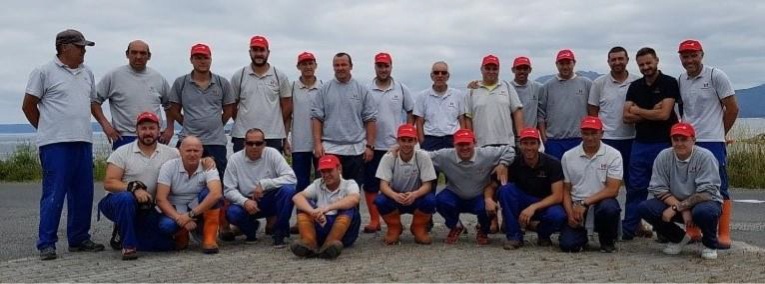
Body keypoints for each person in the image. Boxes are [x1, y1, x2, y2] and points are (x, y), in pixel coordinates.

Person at [22, 29, 105, 261]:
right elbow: (28, 105)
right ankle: (46, 243)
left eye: (84, 47)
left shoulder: (87, 72)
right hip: (55, 143)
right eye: (80, 47)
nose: (84, 51)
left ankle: (79, 238)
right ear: (64, 47)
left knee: (83, 193)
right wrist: (46, 128)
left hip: (83, 140)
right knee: (54, 194)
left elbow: (91, 103)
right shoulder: (43, 72)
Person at [98, 112, 193, 260]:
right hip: (117, 202)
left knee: (165, 246)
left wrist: (207, 162)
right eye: (143, 128)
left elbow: (191, 163)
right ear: (136, 131)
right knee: (126, 198)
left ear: (158, 130)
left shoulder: (172, 153)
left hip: (149, 207)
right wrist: (133, 189)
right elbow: (109, 182)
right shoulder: (122, 152)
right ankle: (128, 246)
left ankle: (126, 230)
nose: (147, 132)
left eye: (151, 128)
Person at [677, 39, 739, 249]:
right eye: (685, 56)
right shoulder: (681, 79)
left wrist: (720, 133)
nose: (690, 60)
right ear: (680, 58)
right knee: (690, 185)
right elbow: (684, 110)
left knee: (719, 186)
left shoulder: (716, 76)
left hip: (712, 141)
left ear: (702, 55)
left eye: (694, 55)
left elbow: (732, 108)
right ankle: (693, 230)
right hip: (688, 141)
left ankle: (723, 233)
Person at [639, 122, 723, 260]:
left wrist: (680, 207)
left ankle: (710, 244)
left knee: (705, 212)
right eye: (675, 139)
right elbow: (658, 188)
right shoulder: (663, 156)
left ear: (693, 140)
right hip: (676, 202)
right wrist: (682, 209)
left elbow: (707, 192)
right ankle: (679, 239)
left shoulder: (705, 157)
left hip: (704, 203)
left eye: (684, 139)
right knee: (645, 208)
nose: (679, 144)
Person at [622, 47, 680, 240]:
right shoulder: (635, 86)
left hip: (664, 143)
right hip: (640, 144)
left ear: (657, 60)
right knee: (636, 189)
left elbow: (664, 115)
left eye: (649, 63)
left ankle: (665, 231)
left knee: (665, 189)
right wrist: (650, 112)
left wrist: (639, 110)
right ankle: (629, 230)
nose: (646, 67)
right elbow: (626, 117)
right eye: (641, 65)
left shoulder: (669, 83)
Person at [428, 129, 515, 245]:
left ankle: (483, 230)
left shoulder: (486, 153)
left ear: (474, 143)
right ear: (454, 145)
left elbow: (509, 150)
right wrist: (398, 149)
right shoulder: (444, 156)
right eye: (460, 144)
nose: (464, 148)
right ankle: (456, 226)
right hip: (455, 194)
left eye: (467, 144)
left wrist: (503, 163)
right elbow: (422, 155)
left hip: (479, 195)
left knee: (489, 206)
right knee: (438, 200)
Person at [363, 52, 415, 233]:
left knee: (396, 184)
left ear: (391, 66)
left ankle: (393, 221)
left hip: (396, 146)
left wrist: (407, 137)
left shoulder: (401, 88)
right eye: (380, 66)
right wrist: (366, 142)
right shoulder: (366, 89)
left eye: (386, 66)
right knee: (371, 184)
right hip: (373, 145)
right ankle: (374, 220)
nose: (383, 69)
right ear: (375, 67)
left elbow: (410, 111)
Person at [167, 43, 235, 179]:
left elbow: (229, 109)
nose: (202, 61)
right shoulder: (181, 83)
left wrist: (216, 123)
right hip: (187, 139)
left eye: (205, 57)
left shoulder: (222, 83)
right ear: (191, 60)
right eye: (197, 57)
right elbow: (173, 109)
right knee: (182, 177)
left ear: (211, 59)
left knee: (218, 179)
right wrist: (187, 122)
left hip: (216, 141)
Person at [91, 40, 174, 150]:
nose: (138, 56)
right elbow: (94, 101)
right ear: (127, 54)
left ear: (149, 56)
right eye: (134, 52)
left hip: (153, 136)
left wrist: (170, 129)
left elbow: (170, 105)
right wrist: (106, 126)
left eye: (142, 53)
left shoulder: (158, 78)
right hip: (124, 137)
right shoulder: (114, 76)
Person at [311, 52, 377, 187]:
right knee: (328, 190)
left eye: (343, 65)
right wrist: (317, 144)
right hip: (330, 148)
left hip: (355, 149)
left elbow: (370, 119)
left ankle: (353, 210)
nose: (340, 68)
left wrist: (370, 146)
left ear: (351, 66)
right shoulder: (324, 90)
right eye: (337, 65)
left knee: (353, 191)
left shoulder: (361, 90)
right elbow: (317, 118)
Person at [223, 128, 297, 247]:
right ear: (244, 144)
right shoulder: (234, 159)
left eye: (258, 143)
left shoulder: (272, 153)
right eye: (250, 143)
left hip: (269, 199)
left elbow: (291, 178)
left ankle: (280, 233)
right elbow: (228, 190)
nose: (254, 146)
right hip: (247, 201)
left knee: (288, 191)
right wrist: (245, 201)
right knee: (232, 213)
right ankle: (250, 232)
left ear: (264, 144)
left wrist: (264, 184)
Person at [559, 116, 622, 253]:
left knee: (609, 208)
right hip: (576, 205)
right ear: (581, 134)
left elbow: (613, 189)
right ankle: (581, 237)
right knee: (568, 245)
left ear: (602, 133)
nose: (590, 137)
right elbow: (566, 190)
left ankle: (607, 240)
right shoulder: (568, 156)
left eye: (594, 133)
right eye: (586, 133)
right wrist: (570, 214)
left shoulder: (614, 155)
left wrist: (585, 203)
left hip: (600, 203)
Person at [587, 46, 640, 204]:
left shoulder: (637, 82)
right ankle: (604, 219)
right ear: (608, 62)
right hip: (607, 139)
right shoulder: (599, 83)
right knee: (603, 183)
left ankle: (634, 223)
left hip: (632, 138)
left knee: (633, 183)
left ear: (627, 60)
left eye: (620, 59)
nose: (617, 62)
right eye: (613, 59)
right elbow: (593, 111)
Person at [497, 128, 566, 250]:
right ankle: (514, 236)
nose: (529, 148)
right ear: (520, 145)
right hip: (523, 201)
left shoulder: (553, 163)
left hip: (545, 203)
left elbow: (558, 196)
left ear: (539, 145)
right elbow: (504, 188)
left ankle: (543, 234)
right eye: (525, 143)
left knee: (558, 215)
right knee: (505, 190)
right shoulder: (513, 162)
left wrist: (533, 207)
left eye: (532, 143)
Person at [155, 136, 223, 254]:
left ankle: (209, 238)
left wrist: (190, 215)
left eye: (196, 151)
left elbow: (216, 194)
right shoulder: (168, 167)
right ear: (180, 151)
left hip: (197, 208)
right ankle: (182, 234)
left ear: (202, 151)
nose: (192, 154)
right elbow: (161, 199)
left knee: (211, 194)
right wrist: (180, 218)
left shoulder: (208, 165)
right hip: (176, 209)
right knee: (166, 226)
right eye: (188, 150)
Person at [374, 124, 437, 245]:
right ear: (398, 141)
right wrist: (394, 195)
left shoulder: (423, 156)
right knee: (380, 200)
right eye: (403, 140)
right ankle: (395, 227)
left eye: (410, 140)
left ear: (415, 141)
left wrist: (415, 194)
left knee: (431, 200)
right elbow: (383, 185)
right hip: (396, 196)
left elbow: (428, 185)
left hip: (416, 196)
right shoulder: (388, 157)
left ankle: (418, 228)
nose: (407, 144)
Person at [290, 155, 362, 259]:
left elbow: (355, 199)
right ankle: (309, 243)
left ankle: (331, 243)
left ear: (339, 169)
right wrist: (313, 212)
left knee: (349, 207)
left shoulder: (350, 183)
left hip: (344, 235)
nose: (326, 175)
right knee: (303, 205)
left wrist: (326, 208)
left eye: (329, 170)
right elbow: (297, 197)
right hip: (321, 225)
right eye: (323, 171)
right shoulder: (317, 183)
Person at [230, 35, 292, 153]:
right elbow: (232, 105)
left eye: (262, 50)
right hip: (243, 135)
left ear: (268, 52)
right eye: (255, 50)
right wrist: (243, 119)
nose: (258, 54)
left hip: (273, 135)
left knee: (272, 171)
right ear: (250, 52)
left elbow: (288, 106)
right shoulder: (239, 75)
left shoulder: (280, 76)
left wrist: (274, 120)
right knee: (242, 170)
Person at [413, 61, 466, 179]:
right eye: (436, 72)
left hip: (452, 140)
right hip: (431, 140)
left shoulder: (457, 95)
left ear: (448, 76)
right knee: (429, 178)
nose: (440, 75)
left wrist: (461, 140)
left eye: (443, 72)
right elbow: (419, 121)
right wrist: (423, 142)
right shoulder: (422, 96)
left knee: (454, 178)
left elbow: (462, 119)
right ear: (431, 76)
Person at [538, 49, 593, 159]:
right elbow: (541, 115)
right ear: (556, 64)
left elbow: (593, 111)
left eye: (568, 63)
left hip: (580, 139)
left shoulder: (586, 83)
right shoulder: (547, 86)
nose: (565, 66)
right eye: (561, 63)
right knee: (557, 174)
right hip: (554, 141)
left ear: (574, 63)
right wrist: (545, 140)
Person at [465, 55, 524, 147]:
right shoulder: (472, 91)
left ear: (499, 70)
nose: (491, 72)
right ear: (481, 69)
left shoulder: (507, 86)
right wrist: (470, 140)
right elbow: (468, 118)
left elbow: (517, 111)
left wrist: (520, 137)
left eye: (494, 69)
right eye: (488, 68)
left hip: (506, 143)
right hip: (481, 144)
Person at [291, 52, 322, 192]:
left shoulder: (324, 87)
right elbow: (286, 115)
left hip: (321, 144)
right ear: (298, 66)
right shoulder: (292, 88)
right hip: (299, 144)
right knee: (301, 183)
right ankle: (302, 213)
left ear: (315, 65)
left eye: (310, 63)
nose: (308, 67)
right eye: (304, 64)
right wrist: (285, 138)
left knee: (322, 182)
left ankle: (322, 212)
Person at [510, 57, 543, 129]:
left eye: (525, 68)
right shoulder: (507, 89)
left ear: (530, 70)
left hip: (532, 136)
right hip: (512, 137)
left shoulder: (538, 88)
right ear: (513, 70)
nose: (522, 71)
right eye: (519, 68)